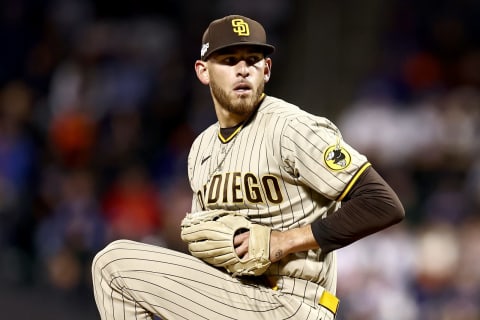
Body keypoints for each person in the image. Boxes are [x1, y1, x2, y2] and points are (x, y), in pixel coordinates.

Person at [91, 15, 405, 320]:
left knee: (112, 264)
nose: (243, 70)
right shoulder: (201, 148)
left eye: (252, 60)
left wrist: (284, 240)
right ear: (203, 71)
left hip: (291, 302)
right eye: (229, 61)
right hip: (234, 297)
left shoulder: (292, 128)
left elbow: (382, 203)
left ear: (266, 69)